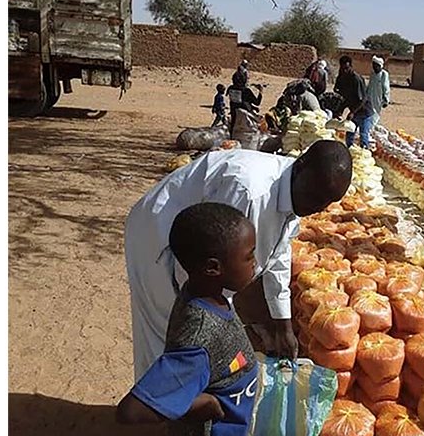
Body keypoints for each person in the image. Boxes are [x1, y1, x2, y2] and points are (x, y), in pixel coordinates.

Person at [124, 140, 353, 380]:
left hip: (201, 253)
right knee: (168, 338)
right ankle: (156, 399)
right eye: (316, 196)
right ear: (301, 165)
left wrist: (282, 324)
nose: (318, 207)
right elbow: (209, 266)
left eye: (327, 202)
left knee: (197, 346)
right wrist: (225, 329)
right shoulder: (249, 192)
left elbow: (279, 253)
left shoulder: (297, 191)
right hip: (160, 237)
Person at [116, 203, 260, 436]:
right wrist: (201, 403)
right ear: (213, 268)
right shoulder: (198, 336)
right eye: (249, 255)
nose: (255, 261)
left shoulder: (212, 299)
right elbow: (132, 410)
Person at [334, 55, 372, 148]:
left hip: (363, 110)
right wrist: (340, 110)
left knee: (363, 136)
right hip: (353, 110)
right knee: (349, 135)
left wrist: (352, 112)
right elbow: (344, 97)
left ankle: (364, 152)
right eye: (342, 68)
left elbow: (362, 99)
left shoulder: (356, 79)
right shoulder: (341, 77)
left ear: (351, 66)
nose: (345, 71)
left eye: (347, 68)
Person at [366, 56, 390, 129]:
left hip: (378, 97)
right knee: (369, 111)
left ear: (380, 65)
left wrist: (386, 100)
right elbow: (369, 85)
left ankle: (372, 127)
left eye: (375, 65)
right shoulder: (373, 74)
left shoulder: (384, 74)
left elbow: (386, 87)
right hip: (370, 96)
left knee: (375, 112)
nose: (373, 67)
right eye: (373, 65)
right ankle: (370, 126)